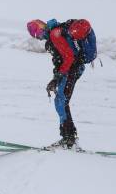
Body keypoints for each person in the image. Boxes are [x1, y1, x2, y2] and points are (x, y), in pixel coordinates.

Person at [27, 18, 94, 147]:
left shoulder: (55, 34)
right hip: (72, 70)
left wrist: (57, 77)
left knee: (61, 102)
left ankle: (69, 140)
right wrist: (56, 78)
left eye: (37, 34)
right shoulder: (56, 33)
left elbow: (68, 58)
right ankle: (69, 138)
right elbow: (62, 59)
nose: (39, 38)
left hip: (72, 70)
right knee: (62, 102)